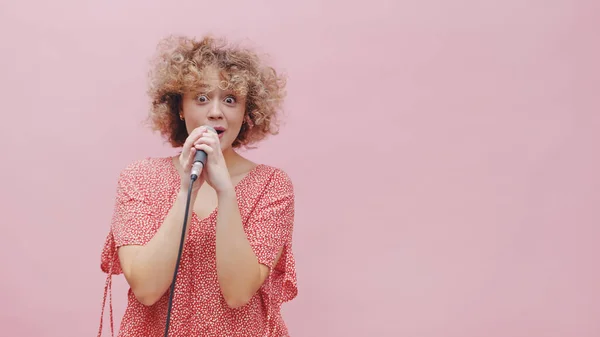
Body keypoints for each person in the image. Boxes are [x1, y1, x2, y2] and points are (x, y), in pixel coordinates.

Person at [97, 35, 298, 337]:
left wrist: (225, 192)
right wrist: (185, 193)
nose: (216, 111)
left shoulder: (272, 186)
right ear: (179, 107)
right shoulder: (139, 178)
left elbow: (239, 293)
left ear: (246, 113)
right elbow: (147, 289)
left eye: (230, 99)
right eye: (201, 98)